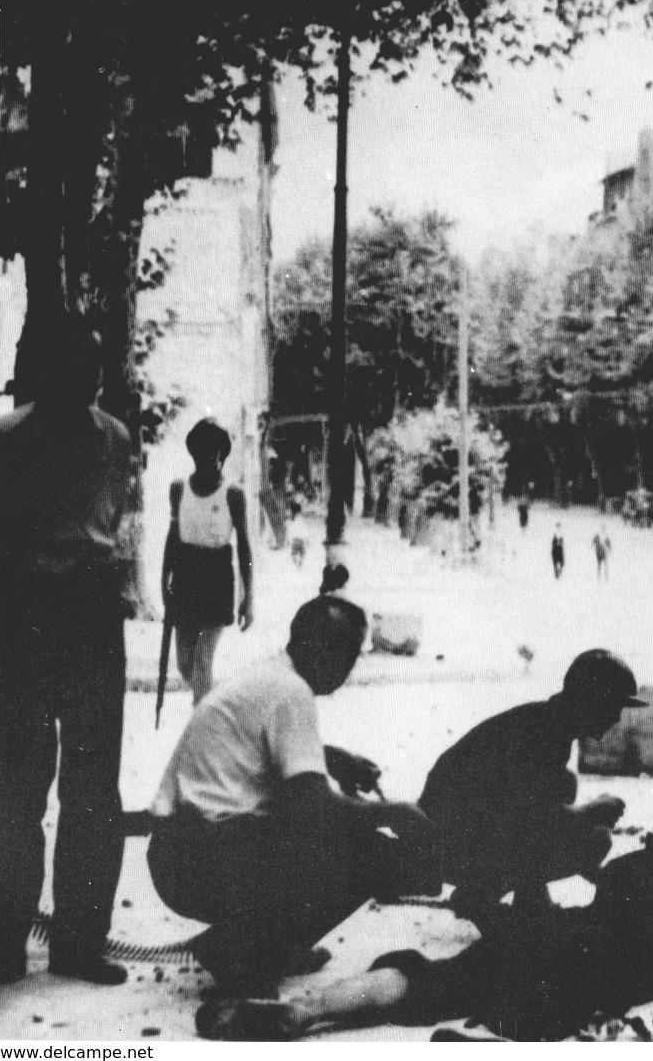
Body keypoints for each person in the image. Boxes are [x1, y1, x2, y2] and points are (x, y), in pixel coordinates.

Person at [195, 797, 653, 1041]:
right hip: (597, 975)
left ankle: (303, 1011)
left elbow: (610, 916)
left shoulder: (631, 866)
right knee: (542, 1014)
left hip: (554, 937)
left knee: (427, 980)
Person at [148, 596, 438, 998]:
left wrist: (332, 759)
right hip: (201, 859)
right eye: (347, 653)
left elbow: (268, 748)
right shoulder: (291, 692)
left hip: (178, 852)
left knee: (311, 836)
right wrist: (393, 812)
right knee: (365, 851)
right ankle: (241, 953)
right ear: (320, 649)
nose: (348, 667)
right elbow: (314, 807)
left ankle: (268, 948)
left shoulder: (272, 674)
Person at [0, 317, 137, 995]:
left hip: (94, 618)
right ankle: (1, 947)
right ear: (45, 373)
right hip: (23, 617)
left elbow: (116, 523)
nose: (91, 379)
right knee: (16, 789)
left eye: (96, 366)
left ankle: (80, 943)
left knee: (93, 788)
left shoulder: (115, 437)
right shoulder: (4, 439)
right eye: (76, 366)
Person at [418, 650, 645, 922]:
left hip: (451, 834)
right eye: (613, 706)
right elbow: (528, 818)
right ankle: (483, 892)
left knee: (565, 783)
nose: (616, 718)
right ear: (591, 700)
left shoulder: (544, 723)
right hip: (442, 846)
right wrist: (591, 812)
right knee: (595, 840)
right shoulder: (539, 735)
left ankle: (523, 895)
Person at [162, 418, 255, 704]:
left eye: (215, 455)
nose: (209, 461)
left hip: (217, 579)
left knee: (203, 664)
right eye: (202, 454)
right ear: (193, 454)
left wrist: (248, 597)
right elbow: (173, 538)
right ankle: (216, 705)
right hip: (186, 577)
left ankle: (205, 727)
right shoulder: (179, 489)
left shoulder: (234, 494)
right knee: (185, 665)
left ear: (222, 456)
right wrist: (163, 581)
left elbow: (244, 549)